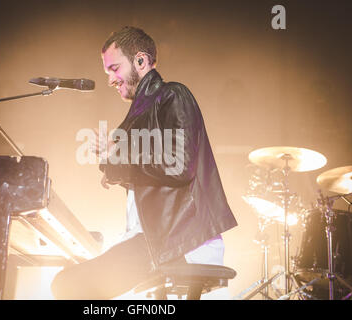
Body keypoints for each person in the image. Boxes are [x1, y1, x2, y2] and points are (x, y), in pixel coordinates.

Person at [51, 26, 237, 300]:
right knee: (69, 280)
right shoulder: (141, 113)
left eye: (114, 68)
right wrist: (112, 162)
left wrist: (120, 159)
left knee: (66, 285)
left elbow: (179, 164)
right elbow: (141, 165)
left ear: (141, 60)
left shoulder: (173, 95)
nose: (111, 80)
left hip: (180, 242)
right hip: (155, 241)